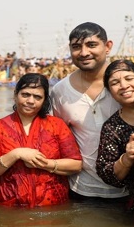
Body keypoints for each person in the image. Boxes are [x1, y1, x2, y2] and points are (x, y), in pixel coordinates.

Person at [50, 22, 124, 203]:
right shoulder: (60, 91)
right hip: (81, 189)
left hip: (129, 188)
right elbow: (57, 138)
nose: (83, 53)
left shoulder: (128, 85)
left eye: (91, 45)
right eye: (76, 47)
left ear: (108, 47)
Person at [0, 73, 81, 207]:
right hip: (8, 209)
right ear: (15, 95)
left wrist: (45, 164)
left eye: (37, 97)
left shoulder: (56, 125)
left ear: (44, 100)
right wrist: (16, 154)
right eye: (25, 94)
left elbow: (76, 164)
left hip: (52, 207)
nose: (30, 101)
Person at [95, 60, 134, 215]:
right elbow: (106, 172)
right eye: (115, 82)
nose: (124, 86)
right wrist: (126, 159)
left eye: (129, 78)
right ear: (109, 91)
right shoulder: (112, 127)